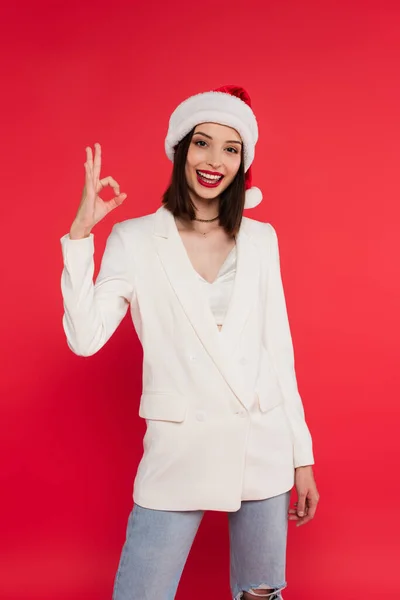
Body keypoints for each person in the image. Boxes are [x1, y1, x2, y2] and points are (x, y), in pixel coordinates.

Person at [60, 85, 320, 600]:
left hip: (260, 441)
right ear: (180, 149)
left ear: (243, 162)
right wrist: (80, 237)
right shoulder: (134, 239)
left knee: (260, 593)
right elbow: (85, 338)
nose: (214, 160)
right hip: (180, 446)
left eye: (231, 148)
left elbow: (278, 352)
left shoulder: (261, 239)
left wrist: (302, 455)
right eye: (202, 143)